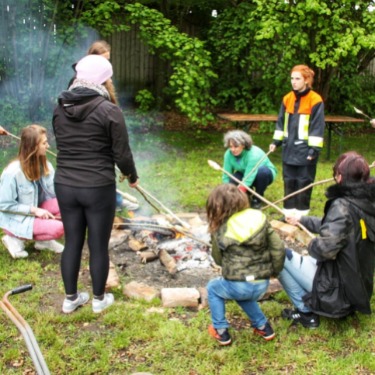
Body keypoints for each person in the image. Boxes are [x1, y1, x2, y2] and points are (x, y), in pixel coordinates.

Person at [53, 54, 139, 314]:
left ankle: (71, 299)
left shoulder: (59, 107)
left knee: (73, 242)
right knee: (98, 245)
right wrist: (131, 176)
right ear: (103, 80)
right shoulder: (109, 110)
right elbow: (122, 153)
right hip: (97, 187)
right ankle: (99, 300)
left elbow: (63, 142)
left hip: (65, 184)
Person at [278, 152, 375, 328]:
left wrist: (308, 241)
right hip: (357, 290)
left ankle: (305, 313)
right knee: (307, 257)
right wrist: (301, 221)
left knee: (278, 255)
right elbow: (336, 227)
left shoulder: (342, 207)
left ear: (340, 176)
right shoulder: (365, 201)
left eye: (337, 173)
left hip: (337, 293)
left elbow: (325, 250)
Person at [205, 184, 285, 345]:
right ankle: (263, 326)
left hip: (239, 285)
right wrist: (275, 271)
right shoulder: (259, 217)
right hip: (262, 283)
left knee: (213, 288)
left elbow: (218, 259)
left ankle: (221, 330)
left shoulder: (221, 228)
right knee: (242, 294)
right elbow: (278, 248)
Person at [69, 40, 139, 212]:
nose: (106, 64)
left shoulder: (105, 82)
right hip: (85, 141)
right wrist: (131, 176)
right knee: (93, 175)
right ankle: (108, 202)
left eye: (108, 60)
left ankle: (114, 199)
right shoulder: (77, 84)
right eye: (103, 60)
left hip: (98, 141)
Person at [0, 125, 64, 259]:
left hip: (35, 209)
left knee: (67, 205)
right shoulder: (13, 172)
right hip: (15, 219)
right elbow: (3, 206)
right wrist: (34, 210)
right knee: (59, 228)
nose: (48, 146)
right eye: (44, 143)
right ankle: (14, 239)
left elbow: (55, 193)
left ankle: (43, 242)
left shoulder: (43, 164)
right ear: (34, 147)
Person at [269, 64, 325, 218]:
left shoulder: (315, 100)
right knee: (289, 181)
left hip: (306, 151)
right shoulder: (287, 98)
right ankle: (288, 213)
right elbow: (281, 123)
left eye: (297, 79)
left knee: (303, 183)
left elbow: (317, 127)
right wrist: (276, 141)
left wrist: (314, 149)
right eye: (292, 78)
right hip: (289, 149)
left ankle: (301, 216)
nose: (293, 82)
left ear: (306, 80)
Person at [222, 130, 277, 209]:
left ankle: (257, 198)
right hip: (244, 173)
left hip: (262, 174)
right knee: (233, 179)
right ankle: (247, 195)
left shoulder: (253, 154)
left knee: (262, 173)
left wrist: (240, 191)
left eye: (236, 146)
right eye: (230, 146)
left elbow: (249, 176)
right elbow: (226, 175)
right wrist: (226, 192)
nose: (233, 149)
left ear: (243, 145)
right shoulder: (228, 154)